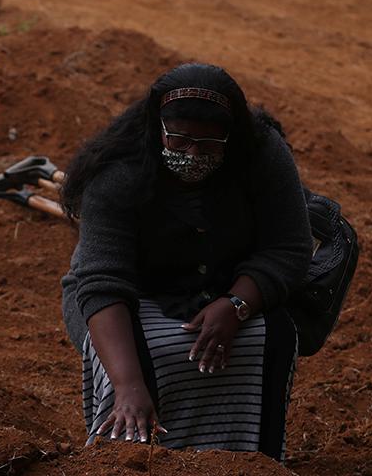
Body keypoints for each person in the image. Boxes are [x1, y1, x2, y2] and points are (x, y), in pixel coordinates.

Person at [59, 63, 312, 460]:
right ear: (157, 127)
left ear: (233, 138)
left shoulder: (261, 155)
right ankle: (132, 460)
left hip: (228, 289)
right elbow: (102, 280)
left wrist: (237, 304)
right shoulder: (118, 170)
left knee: (269, 338)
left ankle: (243, 461)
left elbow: (291, 248)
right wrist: (128, 386)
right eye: (178, 140)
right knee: (150, 356)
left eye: (210, 145)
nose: (193, 155)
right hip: (131, 298)